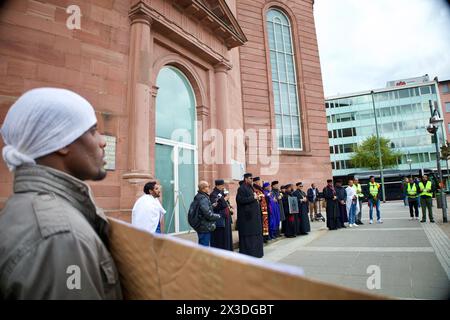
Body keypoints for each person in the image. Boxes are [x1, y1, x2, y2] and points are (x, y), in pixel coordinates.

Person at [0, 88, 122, 299]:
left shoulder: (22, 207)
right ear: (63, 142)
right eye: (93, 131)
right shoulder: (62, 237)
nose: (102, 141)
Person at [236, 173, 264, 258]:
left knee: (256, 233)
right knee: (249, 235)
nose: (252, 180)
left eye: (252, 178)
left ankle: (257, 252)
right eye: (250, 178)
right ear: (246, 179)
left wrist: (257, 198)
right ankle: (250, 253)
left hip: (254, 216)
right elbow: (240, 200)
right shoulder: (241, 188)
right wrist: (253, 198)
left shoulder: (250, 187)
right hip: (247, 218)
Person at [191, 181, 221, 246]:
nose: (209, 188)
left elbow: (202, 209)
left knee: (202, 245)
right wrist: (218, 216)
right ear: (203, 188)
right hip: (204, 226)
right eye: (208, 186)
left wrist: (212, 206)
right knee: (204, 246)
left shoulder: (199, 196)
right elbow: (207, 214)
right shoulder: (203, 198)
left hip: (202, 225)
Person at [210, 179, 233, 251]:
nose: (223, 187)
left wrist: (229, 206)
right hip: (220, 219)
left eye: (223, 185)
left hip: (226, 217)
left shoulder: (222, 192)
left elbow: (225, 203)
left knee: (227, 236)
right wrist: (225, 200)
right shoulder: (213, 194)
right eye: (222, 185)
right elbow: (216, 206)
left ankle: (228, 250)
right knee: (221, 237)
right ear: (217, 185)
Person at [253, 177, 270, 243]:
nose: (260, 183)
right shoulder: (254, 189)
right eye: (259, 182)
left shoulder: (260, 189)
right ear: (255, 182)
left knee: (265, 224)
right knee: (262, 224)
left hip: (264, 210)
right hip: (260, 210)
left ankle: (265, 237)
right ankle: (263, 238)